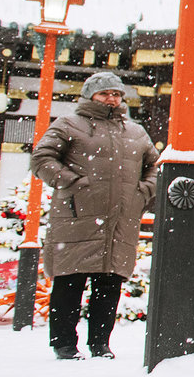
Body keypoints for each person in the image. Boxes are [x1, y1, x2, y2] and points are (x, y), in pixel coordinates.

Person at [29, 72, 158, 360]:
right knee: (69, 284)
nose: (111, 99)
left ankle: (100, 344)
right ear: (90, 96)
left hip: (120, 221)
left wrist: (144, 191)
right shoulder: (69, 125)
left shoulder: (135, 132)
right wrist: (73, 183)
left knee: (109, 286)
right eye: (104, 93)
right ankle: (64, 344)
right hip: (76, 218)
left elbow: (154, 166)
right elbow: (41, 158)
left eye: (116, 94)